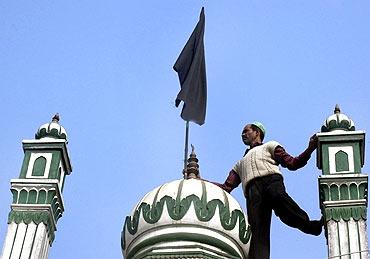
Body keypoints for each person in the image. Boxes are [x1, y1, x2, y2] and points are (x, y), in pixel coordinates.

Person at [212, 122, 323, 259]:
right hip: (253, 192)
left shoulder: (270, 146)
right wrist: (200, 181)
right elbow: (226, 187)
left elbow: (292, 163)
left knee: (282, 203)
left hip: (271, 182)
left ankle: (311, 226)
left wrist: (310, 148)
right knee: (257, 231)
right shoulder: (240, 164)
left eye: (246, 131)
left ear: (257, 132)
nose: (243, 134)